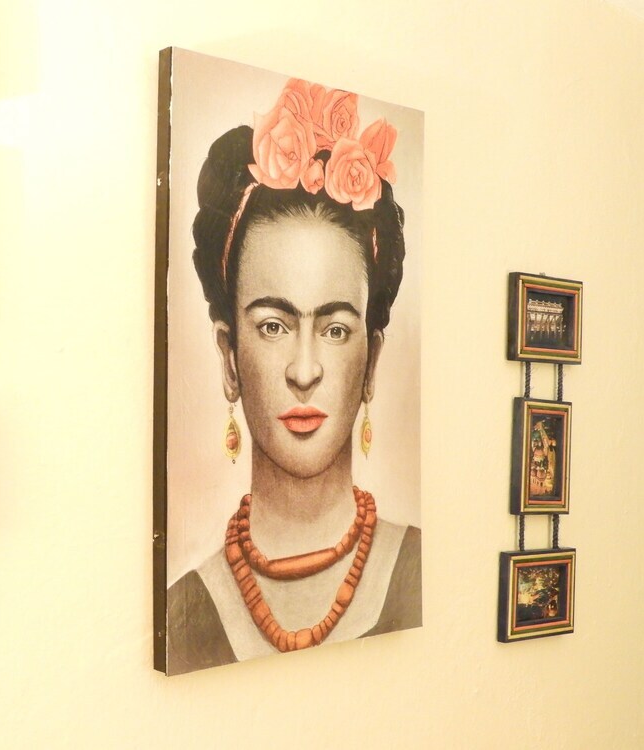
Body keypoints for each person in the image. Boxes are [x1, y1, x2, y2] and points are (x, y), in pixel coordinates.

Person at [166, 79, 421, 675]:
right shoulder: (181, 613)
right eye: (274, 326)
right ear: (229, 358)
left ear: (371, 362)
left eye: (335, 329)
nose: (304, 371)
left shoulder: (423, 569)